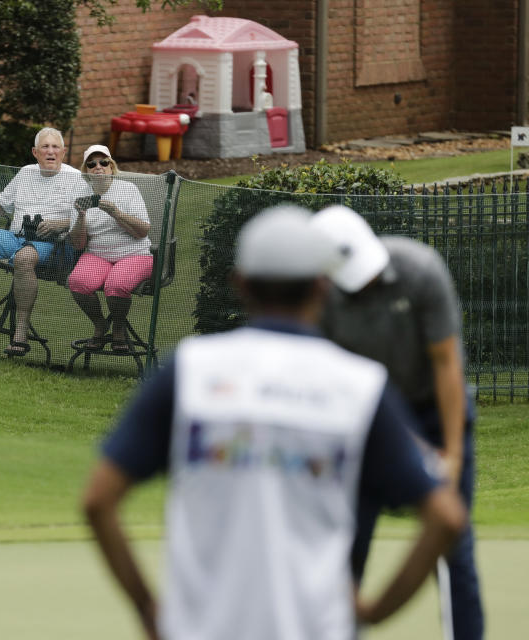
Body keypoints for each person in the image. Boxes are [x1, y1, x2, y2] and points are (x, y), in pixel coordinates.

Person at [82, 206, 466, 640]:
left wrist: (147, 608)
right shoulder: (360, 387)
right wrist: (374, 611)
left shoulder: (190, 370)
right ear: (323, 287)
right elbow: (445, 519)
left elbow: (98, 500)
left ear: (240, 285)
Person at [311, 204, 484, 640]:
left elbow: (446, 363)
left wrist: (453, 456)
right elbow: (332, 383)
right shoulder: (321, 300)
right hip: (365, 421)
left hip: (432, 412)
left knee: (454, 547)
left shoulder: (420, 270)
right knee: (347, 542)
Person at [0, 127, 81, 356]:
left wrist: (60, 223)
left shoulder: (75, 178)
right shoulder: (26, 172)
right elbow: (1, 206)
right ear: (35, 152)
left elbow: (87, 216)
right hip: (16, 236)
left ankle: (21, 331)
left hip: (53, 245)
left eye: (55, 147)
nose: (51, 152)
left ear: (64, 152)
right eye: (45, 147)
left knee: (24, 257)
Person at [69, 144, 152, 353]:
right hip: (98, 254)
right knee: (78, 282)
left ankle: (118, 327)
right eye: (92, 164)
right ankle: (99, 324)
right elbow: (78, 244)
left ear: (111, 166)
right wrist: (80, 216)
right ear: (86, 171)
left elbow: (143, 231)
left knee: (117, 285)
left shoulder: (128, 189)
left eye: (103, 162)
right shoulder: (81, 195)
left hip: (135, 253)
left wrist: (116, 213)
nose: (98, 167)